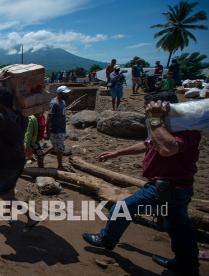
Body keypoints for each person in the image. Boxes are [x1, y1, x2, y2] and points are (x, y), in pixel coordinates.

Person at [83, 92, 200, 276]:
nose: (146, 112)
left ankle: (106, 240)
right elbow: (149, 144)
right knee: (178, 228)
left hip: (169, 188)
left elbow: (167, 148)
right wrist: (117, 153)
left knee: (122, 208)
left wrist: (155, 119)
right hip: (166, 187)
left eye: (149, 109)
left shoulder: (185, 128)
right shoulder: (165, 125)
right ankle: (185, 266)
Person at [0, 70, 39, 230]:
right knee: (9, 188)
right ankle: (9, 214)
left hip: (6, 162)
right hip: (19, 159)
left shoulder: (0, 119)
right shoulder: (21, 115)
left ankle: (30, 216)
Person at [46, 86, 70, 170]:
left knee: (57, 146)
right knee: (60, 149)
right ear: (59, 93)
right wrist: (48, 131)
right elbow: (49, 118)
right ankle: (60, 166)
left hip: (61, 128)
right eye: (65, 93)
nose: (67, 95)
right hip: (56, 129)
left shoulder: (63, 102)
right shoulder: (54, 103)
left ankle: (42, 154)